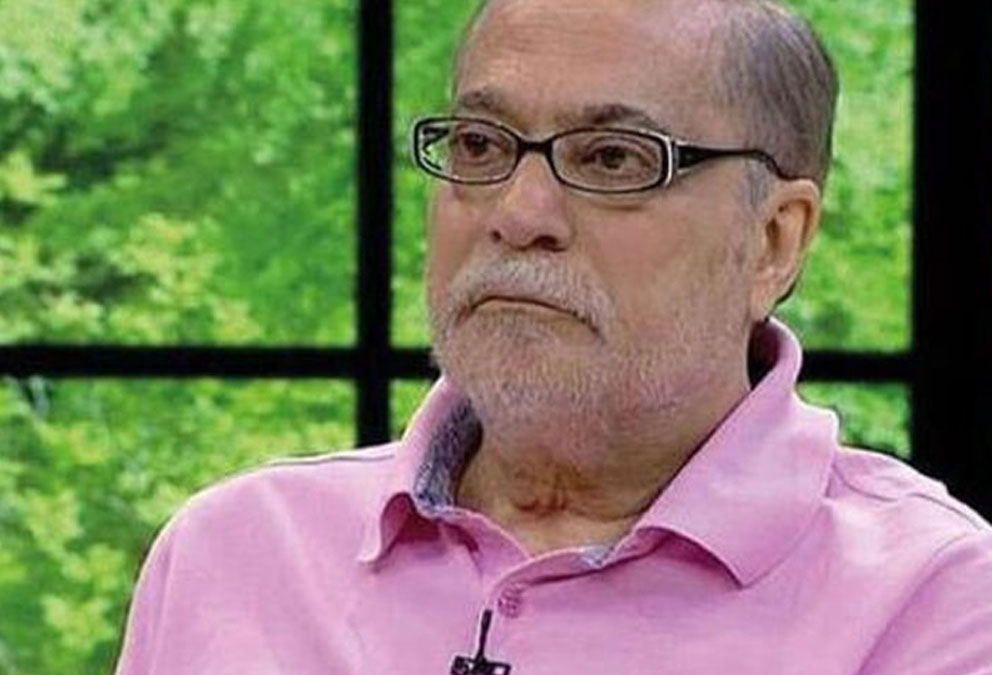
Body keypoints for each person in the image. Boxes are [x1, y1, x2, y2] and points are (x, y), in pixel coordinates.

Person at [113, 0, 992, 672]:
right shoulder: (235, 554)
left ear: (773, 241)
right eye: (479, 145)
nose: (518, 213)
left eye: (612, 157)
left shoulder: (931, 596)